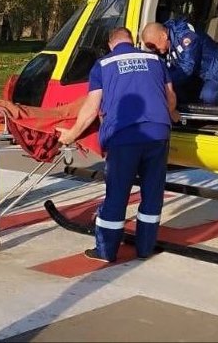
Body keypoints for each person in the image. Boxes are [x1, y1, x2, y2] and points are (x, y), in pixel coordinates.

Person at [56, 27, 179, 262]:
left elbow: (91, 108)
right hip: (158, 134)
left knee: (117, 194)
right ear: (132, 41)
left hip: (124, 137)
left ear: (111, 44)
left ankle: (105, 250)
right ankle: (145, 248)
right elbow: (170, 97)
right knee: (152, 193)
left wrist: (71, 135)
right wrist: (169, 114)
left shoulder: (103, 65)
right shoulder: (156, 60)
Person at [141, 18, 218, 105]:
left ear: (164, 36)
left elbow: (187, 68)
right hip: (196, 73)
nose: (154, 50)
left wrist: (162, 80)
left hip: (214, 69)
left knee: (209, 96)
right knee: (172, 93)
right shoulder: (166, 39)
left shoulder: (186, 36)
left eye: (154, 46)